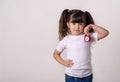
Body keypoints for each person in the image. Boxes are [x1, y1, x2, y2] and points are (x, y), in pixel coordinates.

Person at [53, 9, 109, 82]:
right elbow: (56, 54)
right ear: (68, 24)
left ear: (84, 24)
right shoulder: (66, 40)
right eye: (74, 23)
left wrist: (92, 26)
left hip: (87, 75)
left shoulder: (88, 36)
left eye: (80, 24)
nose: (77, 27)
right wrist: (64, 62)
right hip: (71, 76)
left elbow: (105, 33)